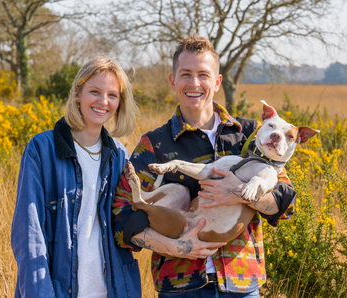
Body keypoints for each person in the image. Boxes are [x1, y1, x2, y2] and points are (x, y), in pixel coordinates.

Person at [112, 35, 296, 297]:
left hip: (241, 283)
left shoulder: (253, 134)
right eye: (185, 74)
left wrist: (238, 192)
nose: (194, 83)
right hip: (180, 286)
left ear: (217, 82)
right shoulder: (155, 144)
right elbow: (121, 217)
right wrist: (175, 247)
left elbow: (287, 204)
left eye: (203, 74)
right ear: (173, 81)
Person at [11, 56, 141, 298]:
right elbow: (29, 235)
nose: (103, 101)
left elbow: (124, 226)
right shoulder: (42, 149)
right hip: (57, 291)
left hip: (112, 290)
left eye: (112, 95)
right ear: (78, 93)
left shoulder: (120, 155)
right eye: (95, 91)